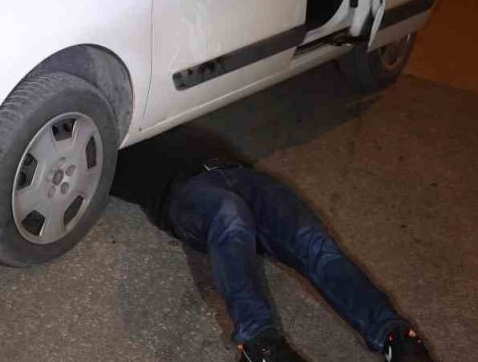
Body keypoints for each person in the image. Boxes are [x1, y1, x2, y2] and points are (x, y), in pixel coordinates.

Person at [111, 124, 434, 362]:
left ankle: (395, 336)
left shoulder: (167, 108)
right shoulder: (109, 144)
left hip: (246, 177)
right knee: (230, 218)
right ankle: (260, 344)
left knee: (314, 244)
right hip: (188, 193)